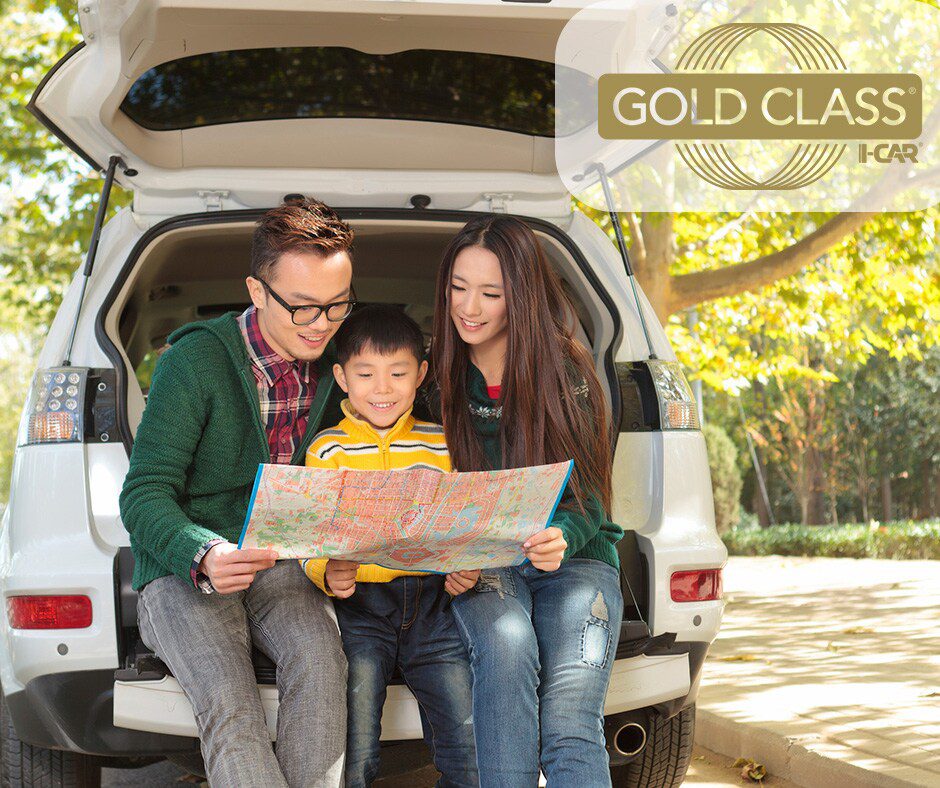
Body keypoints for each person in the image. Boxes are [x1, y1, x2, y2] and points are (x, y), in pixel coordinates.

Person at [119, 198, 355, 787]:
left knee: (323, 664)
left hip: (285, 566)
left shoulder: (347, 366)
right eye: (301, 307)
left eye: (337, 305)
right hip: (185, 572)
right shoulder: (194, 362)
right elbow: (144, 493)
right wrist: (203, 552)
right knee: (231, 703)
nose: (321, 324)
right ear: (256, 290)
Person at [429, 214, 625, 787]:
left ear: (523, 297)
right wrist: (449, 559)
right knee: (507, 647)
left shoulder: (567, 371)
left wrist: (562, 534)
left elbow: (590, 494)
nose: (470, 306)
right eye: (459, 288)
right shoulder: (433, 378)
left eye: (491, 293)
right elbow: (424, 494)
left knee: (568, 724)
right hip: (486, 562)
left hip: (577, 563)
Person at [302, 304, 478, 788]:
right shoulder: (326, 451)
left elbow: (465, 523)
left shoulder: (443, 444)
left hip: (435, 608)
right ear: (340, 377)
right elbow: (311, 536)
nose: (382, 388)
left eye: (398, 373)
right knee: (355, 748)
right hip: (360, 610)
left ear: (420, 375)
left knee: (467, 745)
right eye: (365, 373)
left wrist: (467, 567)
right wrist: (324, 571)